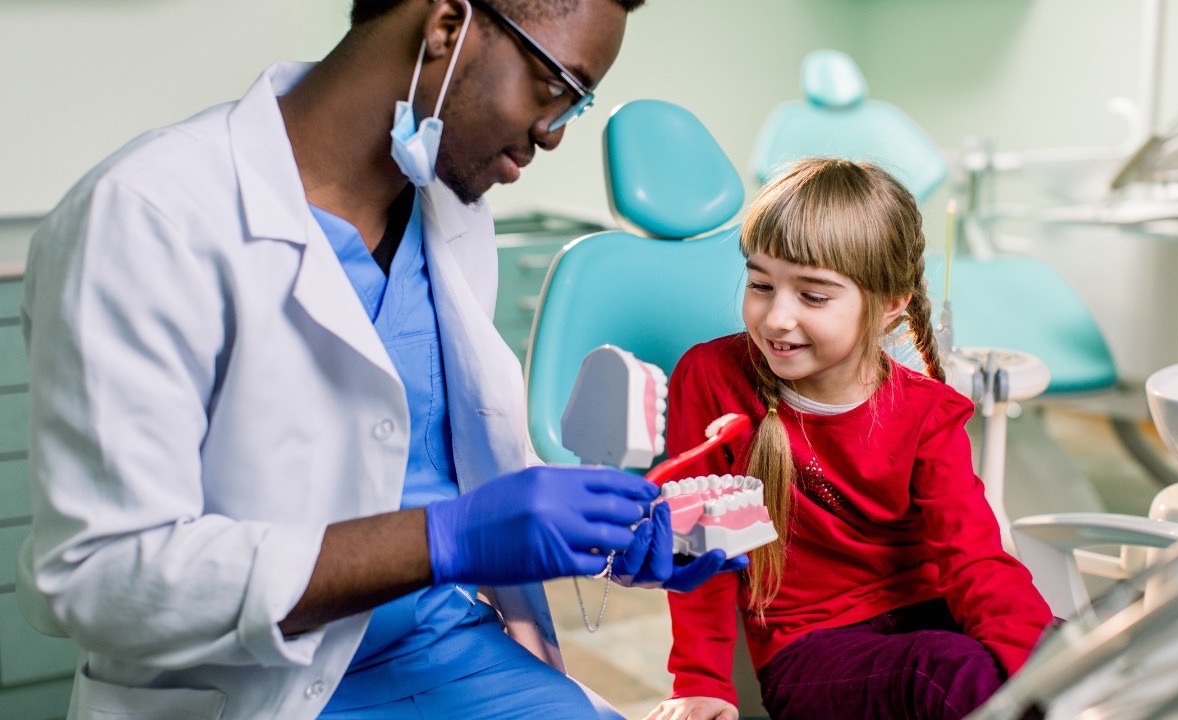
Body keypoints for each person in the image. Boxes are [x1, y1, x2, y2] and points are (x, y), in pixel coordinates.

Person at [20, 1, 742, 718]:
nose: (551, 135)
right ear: (446, 26)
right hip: (254, 688)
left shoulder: (452, 210)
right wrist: (445, 538)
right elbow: (100, 576)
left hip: (451, 647)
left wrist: (599, 531)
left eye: (576, 106)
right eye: (555, 87)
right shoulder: (147, 217)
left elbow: (438, 459)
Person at [644, 158, 1054, 720]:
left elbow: (974, 560)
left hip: (926, 610)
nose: (776, 318)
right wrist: (702, 681)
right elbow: (703, 550)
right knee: (948, 670)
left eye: (813, 297)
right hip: (809, 644)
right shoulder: (713, 377)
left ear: (889, 304)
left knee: (1066, 644)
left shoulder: (926, 412)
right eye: (761, 284)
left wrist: (1053, 668)